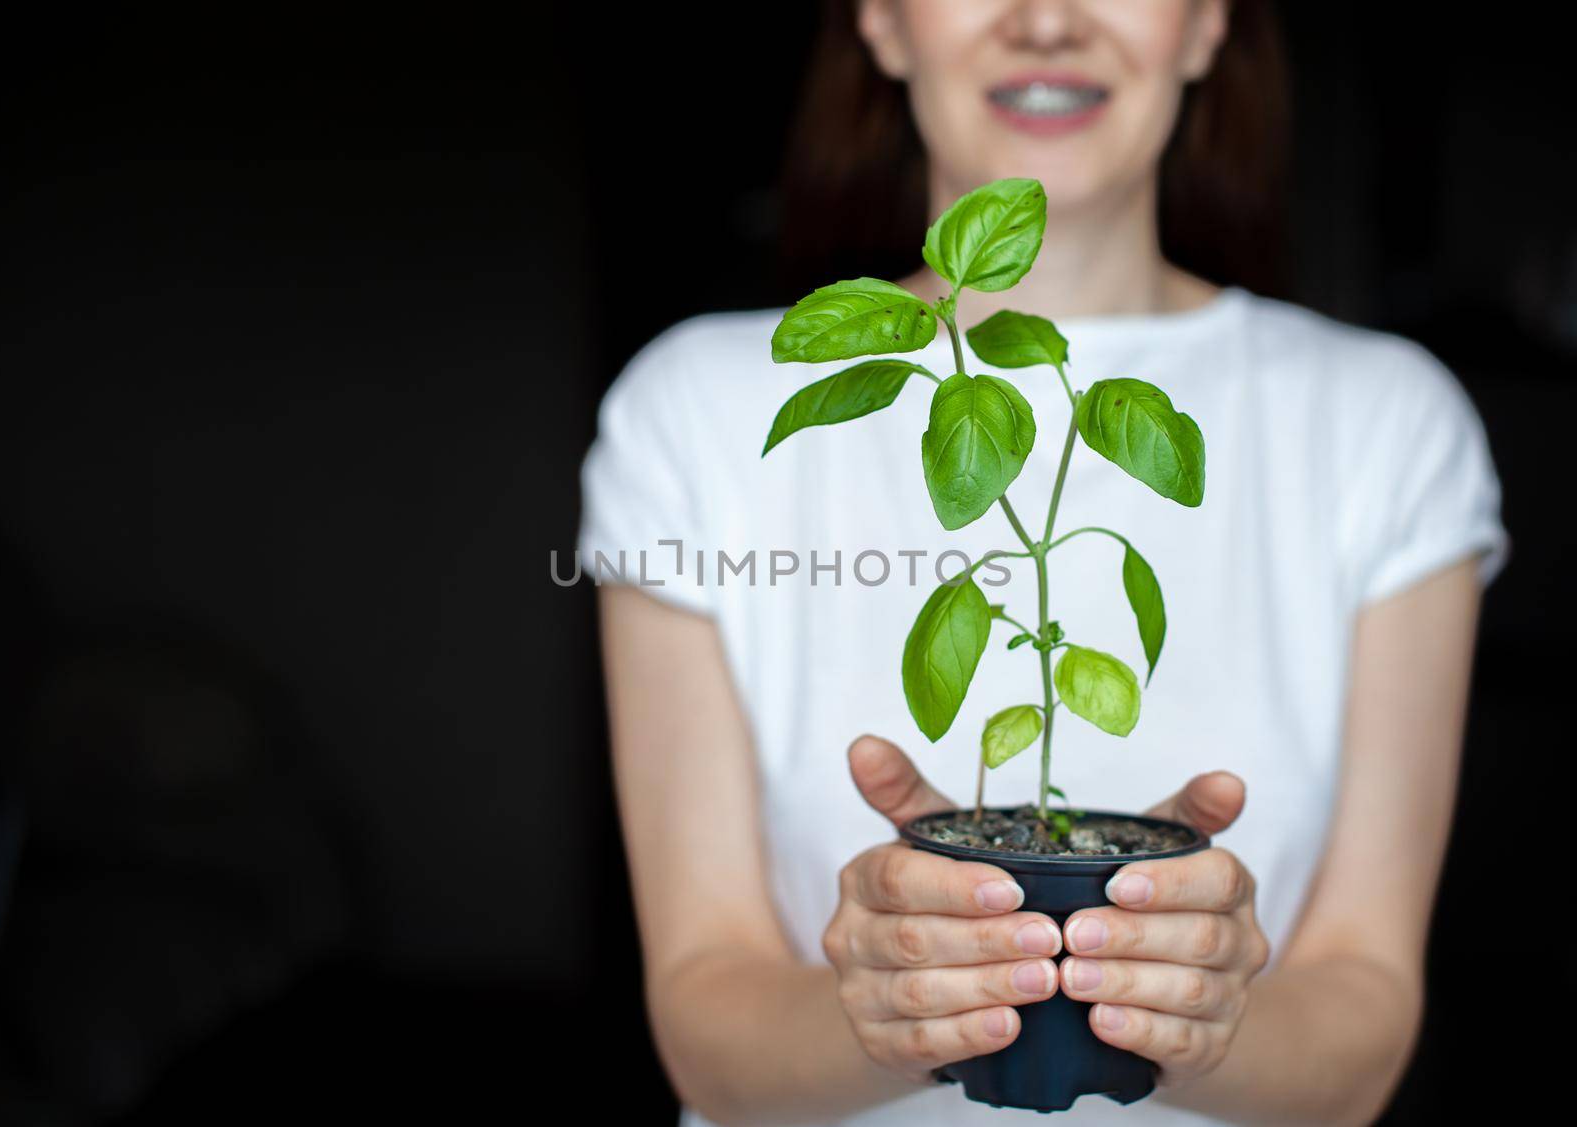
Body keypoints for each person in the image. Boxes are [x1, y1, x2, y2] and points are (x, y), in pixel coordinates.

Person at [579, 2, 1507, 1124]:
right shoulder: (695, 411)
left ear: (1207, 23)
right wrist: (887, 1007)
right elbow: (704, 1027)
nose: (1049, 20)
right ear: (880, 21)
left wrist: (1203, 1010)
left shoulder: (1384, 422)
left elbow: (1360, 1031)